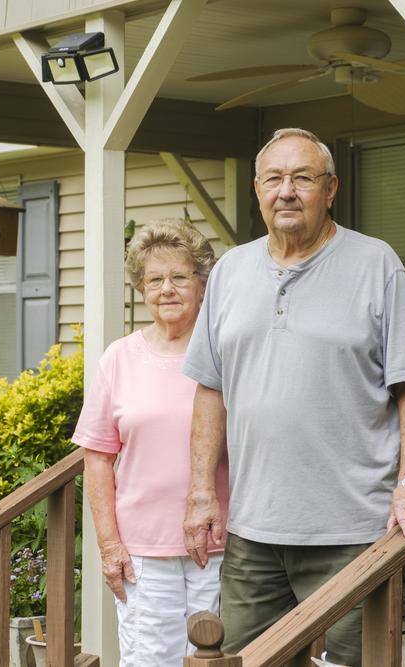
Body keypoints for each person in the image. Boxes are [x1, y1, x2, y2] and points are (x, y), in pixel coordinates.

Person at [182, 128, 405, 665]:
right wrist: (202, 490)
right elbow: (211, 387)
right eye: (274, 178)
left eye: (303, 178)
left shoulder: (376, 264)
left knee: (353, 662)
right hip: (253, 528)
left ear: (331, 188)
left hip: (352, 530)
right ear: (257, 189)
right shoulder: (230, 271)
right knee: (247, 660)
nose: (287, 191)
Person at [73, 219, 230, 666]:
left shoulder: (226, 351)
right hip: (142, 551)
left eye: (179, 277)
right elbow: (98, 458)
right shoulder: (120, 358)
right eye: (154, 280)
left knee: (218, 658)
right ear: (141, 289)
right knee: (149, 660)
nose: (166, 289)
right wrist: (109, 547)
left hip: (219, 543)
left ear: (202, 284)